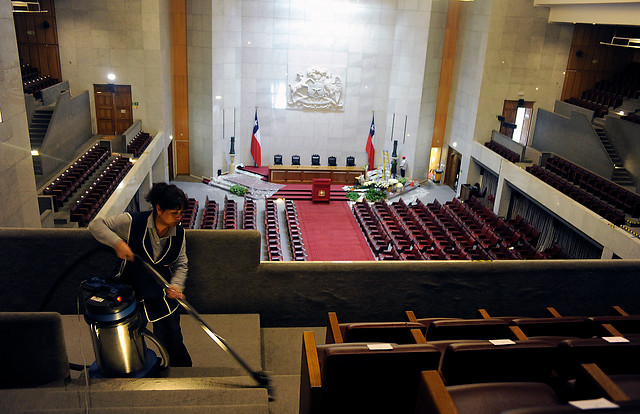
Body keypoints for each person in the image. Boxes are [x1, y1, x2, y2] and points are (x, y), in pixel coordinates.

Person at [88, 182, 192, 367]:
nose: (179, 218)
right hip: (131, 289)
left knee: (172, 338)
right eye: (174, 213)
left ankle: (180, 371)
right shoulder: (132, 222)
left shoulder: (180, 233)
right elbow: (96, 224)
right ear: (159, 209)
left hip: (160, 291)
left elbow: (181, 264)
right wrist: (117, 243)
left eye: (181, 213)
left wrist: (176, 285)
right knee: (130, 338)